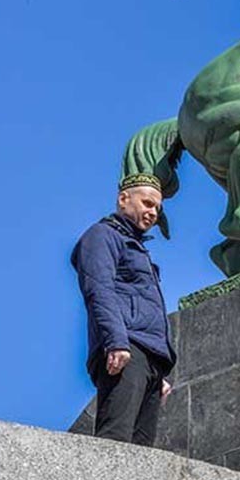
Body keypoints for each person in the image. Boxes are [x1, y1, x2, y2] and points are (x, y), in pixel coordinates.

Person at [71, 173, 176, 445]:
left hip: (151, 358)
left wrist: (158, 373)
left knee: (142, 455)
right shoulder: (101, 236)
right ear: (123, 199)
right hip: (127, 348)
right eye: (147, 203)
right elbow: (99, 290)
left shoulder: (138, 248)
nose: (153, 213)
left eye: (157, 208)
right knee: (114, 443)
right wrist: (116, 342)